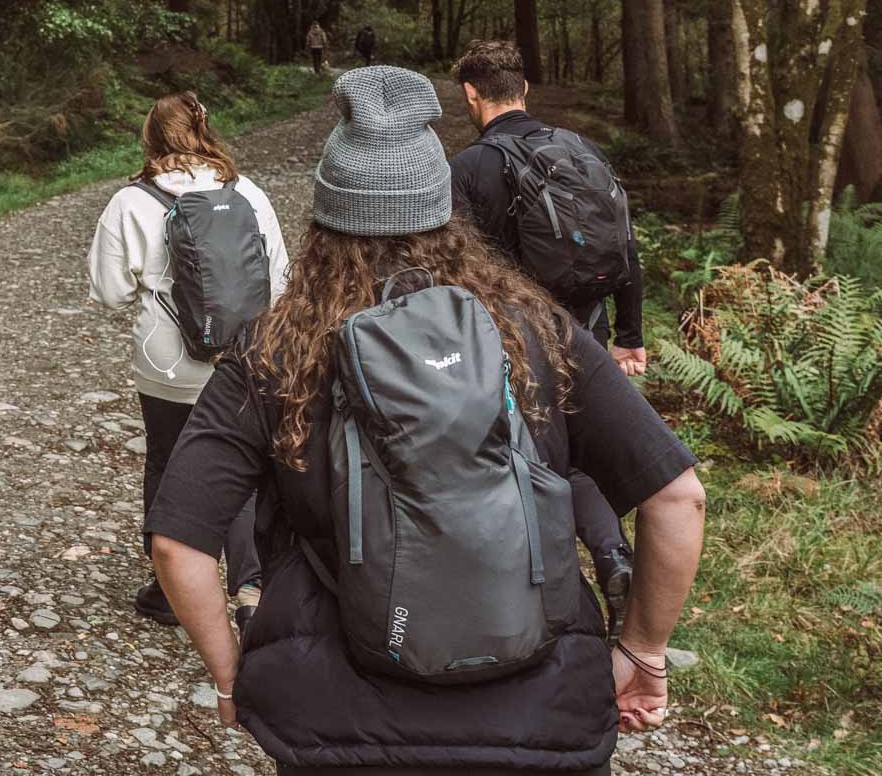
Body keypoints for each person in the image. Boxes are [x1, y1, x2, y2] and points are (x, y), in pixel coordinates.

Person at [149, 66, 705, 775]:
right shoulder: (534, 330)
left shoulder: (274, 351)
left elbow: (179, 544)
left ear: (324, 216)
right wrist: (643, 650)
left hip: (336, 728)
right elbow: (678, 497)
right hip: (541, 720)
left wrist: (231, 676)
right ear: (446, 211)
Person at [448, 40, 647, 632]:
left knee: (521, 458)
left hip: (512, 334)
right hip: (586, 327)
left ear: (470, 94)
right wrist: (630, 333)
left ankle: (529, 589)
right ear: (525, 89)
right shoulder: (582, 149)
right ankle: (611, 553)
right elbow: (625, 242)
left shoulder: (468, 167)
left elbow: (457, 263)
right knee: (579, 453)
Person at [87, 92, 290, 626]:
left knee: (167, 462)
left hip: (167, 364)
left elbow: (108, 292)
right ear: (206, 130)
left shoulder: (130, 202)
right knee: (243, 466)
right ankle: (250, 590)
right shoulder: (246, 192)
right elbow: (279, 277)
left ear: (150, 138)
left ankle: (169, 590)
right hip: (242, 353)